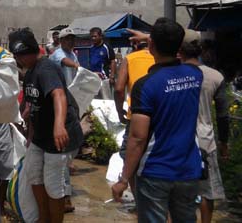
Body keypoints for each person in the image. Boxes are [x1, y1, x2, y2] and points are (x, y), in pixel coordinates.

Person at [112, 18, 203, 223]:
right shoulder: (195, 75)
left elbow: (137, 138)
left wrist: (124, 179)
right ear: (179, 46)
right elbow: (190, 38)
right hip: (189, 169)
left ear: (151, 45)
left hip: (156, 170)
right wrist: (154, 38)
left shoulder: (146, 85)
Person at [8, 28, 83, 223]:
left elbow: (58, 94)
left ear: (30, 51)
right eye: (17, 56)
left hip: (58, 138)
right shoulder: (30, 72)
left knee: (53, 185)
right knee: (34, 176)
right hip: (40, 137)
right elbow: (33, 105)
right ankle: (43, 218)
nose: (19, 60)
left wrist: (59, 125)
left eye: (21, 55)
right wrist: (26, 126)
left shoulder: (46, 68)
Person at [179, 30, 229, 223]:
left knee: (177, 190)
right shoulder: (215, 76)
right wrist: (224, 143)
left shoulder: (172, 74)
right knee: (207, 191)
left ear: (179, 50)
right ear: (201, 49)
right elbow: (223, 115)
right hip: (205, 140)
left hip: (177, 139)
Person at [89, 27, 116, 101]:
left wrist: (112, 76)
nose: (93, 38)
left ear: (100, 36)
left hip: (104, 79)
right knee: (94, 100)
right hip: (93, 79)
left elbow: (113, 61)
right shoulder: (91, 48)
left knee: (106, 99)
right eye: (91, 36)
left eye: (95, 36)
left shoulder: (106, 47)